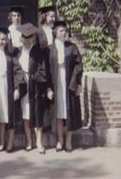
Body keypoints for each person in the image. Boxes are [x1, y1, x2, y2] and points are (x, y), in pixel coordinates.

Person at [46, 21, 83, 152]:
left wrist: (75, 83)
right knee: (59, 114)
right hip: (56, 85)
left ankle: (68, 141)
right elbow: (46, 70)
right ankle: (60, 140)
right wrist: (49, 88)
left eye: (65, 31)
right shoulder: (49, 49)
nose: (64, 33)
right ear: (55, 32)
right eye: (61, 31)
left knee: (69, 113)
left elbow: (78, 66)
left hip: (68, 84)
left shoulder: (71, 47)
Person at [15, 23, 48, 154]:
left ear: (33, 37)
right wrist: (19, 81)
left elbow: (42, 70)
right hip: (23, 85)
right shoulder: (18, 51)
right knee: (26, 115)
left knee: (37, 113)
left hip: (35, 86)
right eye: (25, 37)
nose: (27, 39)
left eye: (29, 37)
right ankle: (29, 141)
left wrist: (34, 78)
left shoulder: (38, 51)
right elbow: (15, 69)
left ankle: (39, 142)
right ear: (22, 38)